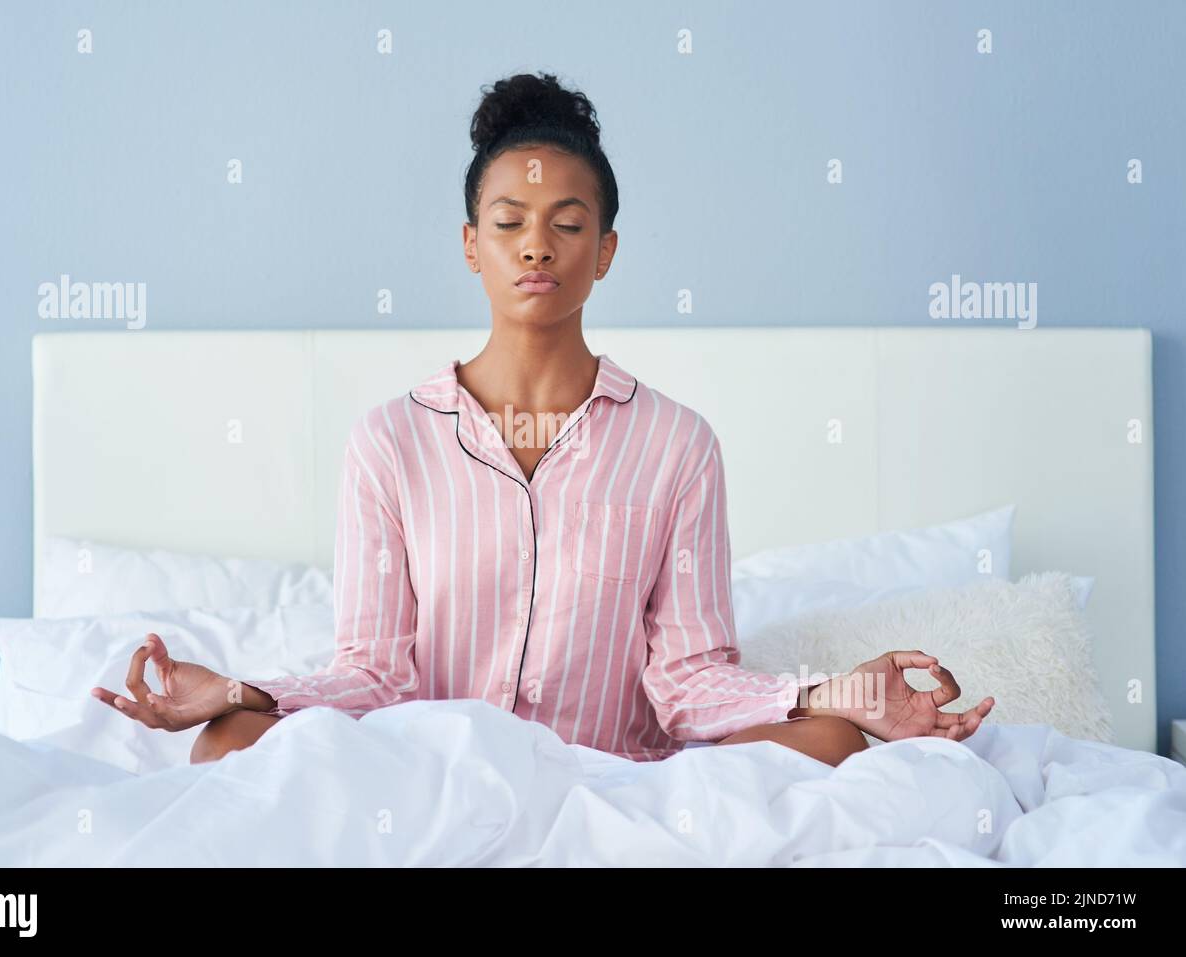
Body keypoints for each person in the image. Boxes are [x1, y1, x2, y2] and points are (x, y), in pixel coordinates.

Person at [92, 72, 993, 767]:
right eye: (509, 220)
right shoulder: (390, 441)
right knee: (230, 743)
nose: (536, 245)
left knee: (832, 743)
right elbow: (376, 672)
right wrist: (239, 690)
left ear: (603, 252)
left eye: (567, 223)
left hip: (619, 783)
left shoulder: (677, 445)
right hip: (427, 776)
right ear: (470, 243)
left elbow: (688, 681)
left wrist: (839, 696)